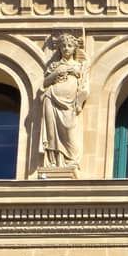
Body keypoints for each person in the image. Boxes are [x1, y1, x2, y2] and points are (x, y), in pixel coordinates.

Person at [39, 31, 88, 169]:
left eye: (69, 46)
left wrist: (79, 102)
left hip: (70, 104)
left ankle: (71, 160)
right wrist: (55, 75)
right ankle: (54, 161)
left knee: (69, 129)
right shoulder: (54, 65)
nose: (66, 48)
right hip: (51, 99)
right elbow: (45, 83)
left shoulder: (80, 66)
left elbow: (85, 86)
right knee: (51, 133)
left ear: (75, 48)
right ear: (59, 48)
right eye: (63, 46)